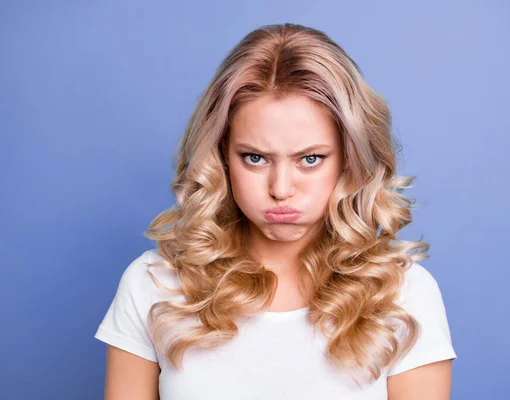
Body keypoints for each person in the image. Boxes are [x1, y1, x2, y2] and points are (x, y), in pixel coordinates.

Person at [94, 22, 457, 399]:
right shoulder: (153, 285)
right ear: (220, 156)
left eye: (310, 159)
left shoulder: (403, 294)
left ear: (350, 160)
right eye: (255, 158)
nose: (281, 189)